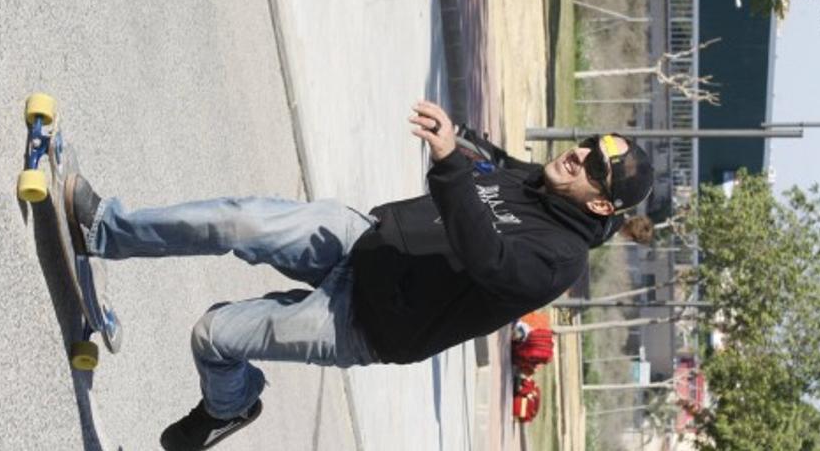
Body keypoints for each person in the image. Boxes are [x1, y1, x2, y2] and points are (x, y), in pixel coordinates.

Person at [64, 101, 654, 450]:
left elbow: (487, 256)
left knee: (214, 336)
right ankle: (106, 231)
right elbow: (496, 164)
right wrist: (464, 139)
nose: (578, 155)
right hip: (365, 241)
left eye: (594, 165)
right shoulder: (539, 181)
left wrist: (449, 164)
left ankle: (230, 406)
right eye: (586, 145)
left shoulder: (561, 258)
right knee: (238, 220)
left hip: (366, 323)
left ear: (601, 204)